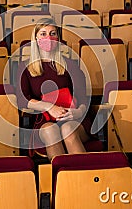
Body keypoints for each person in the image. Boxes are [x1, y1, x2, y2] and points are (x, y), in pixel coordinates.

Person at [16, 18, 93, 161]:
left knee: (67, 129)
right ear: (36, 38)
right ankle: (61, 177)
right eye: (43, 33)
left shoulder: (70, 64)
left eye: (52, 33)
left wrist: (78, 112)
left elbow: (83, 97)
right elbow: (22, 99)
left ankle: (83, 177)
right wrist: (49, 107)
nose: (48, 37)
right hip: (45, 120)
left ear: (58, 38)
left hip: (74, 118)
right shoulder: (25, 67)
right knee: (51, 130)